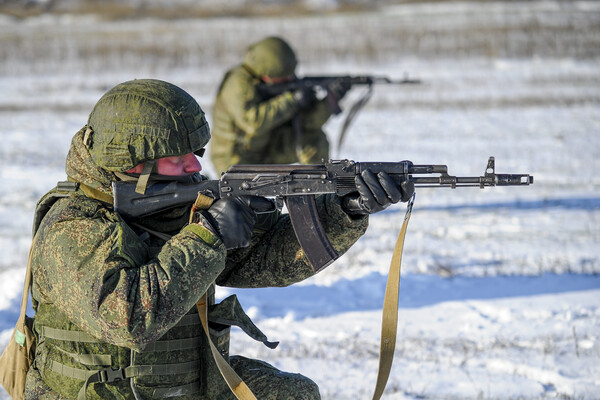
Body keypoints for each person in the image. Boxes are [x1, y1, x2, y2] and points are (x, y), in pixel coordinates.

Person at [24, 79, 413, 400]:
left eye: (196, 153)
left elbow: (262, 259)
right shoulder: (71, 227)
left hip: (188, 377)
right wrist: (208, 236)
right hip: (102, 392)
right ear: (132, 164)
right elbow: (128, 319)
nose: (195, 166)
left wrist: (343, 210)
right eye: (179, 158)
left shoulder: (178, 199)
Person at [209, 36, 351, 174]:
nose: (289, 80)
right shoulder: (238, 83)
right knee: (248, 198)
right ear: (267, 74)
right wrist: (291, 100)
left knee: (314, 140)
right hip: (235, 158)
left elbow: (309, 123)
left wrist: (330, 100)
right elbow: (252, 122)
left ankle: (320, 192)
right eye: (282, 78)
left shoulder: (280, 83)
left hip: (268, 148)